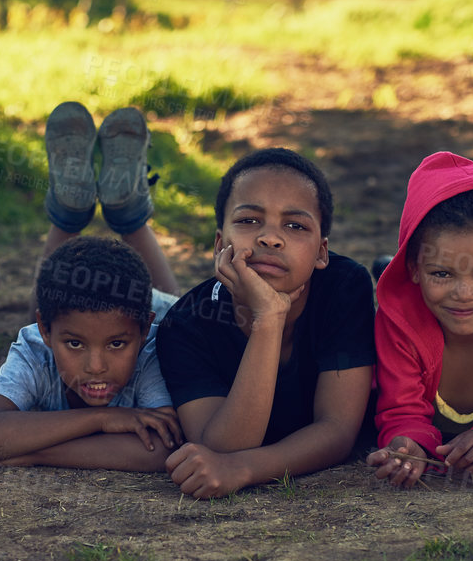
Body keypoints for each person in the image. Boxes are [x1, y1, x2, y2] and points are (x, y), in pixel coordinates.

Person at [156, 147, 375, 499]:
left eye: (295, 225)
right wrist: (269, 319)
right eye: (248, 220)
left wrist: (245, 469)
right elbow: (221, 449)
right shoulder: (186, 324)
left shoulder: (343, 286)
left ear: (322, 251)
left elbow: (337, 430)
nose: (270, 238)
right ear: (218, 244)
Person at [366, 153, 473, 487]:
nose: (465, 292)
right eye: (442, 273)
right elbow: (400, 413)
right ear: (414, 269)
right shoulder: (396, 322)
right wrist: (408, 444)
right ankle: (385, 271)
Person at [0, 237, 179, 470]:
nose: (95, 367)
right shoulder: (35, 351)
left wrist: (39, 454)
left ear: (144, 330)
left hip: (168, 312)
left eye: (116, 344)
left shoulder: (152, 349)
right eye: (75, 344)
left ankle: (133, 221)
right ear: (44, 330)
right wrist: (104, 418)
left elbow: (163, 446)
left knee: (181, 312)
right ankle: (65, 220)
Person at [40, 101, 182, 302]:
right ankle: (130, 212)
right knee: (176, 321)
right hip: (131, 324)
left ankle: (68, 213)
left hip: (61, 329)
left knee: (39, 327)